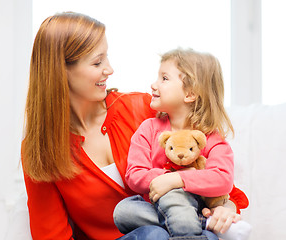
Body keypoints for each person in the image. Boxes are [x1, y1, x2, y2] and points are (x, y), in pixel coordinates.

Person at [22, 12, 248, 240]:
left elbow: (213, 175)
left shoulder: (143, 109)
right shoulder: (41, 150)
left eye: (106, 57)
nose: (109, 69)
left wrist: (225, 208)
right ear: (61, 71)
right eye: (97, 62)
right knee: (152, 235)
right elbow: (51, 235)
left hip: (179, 229)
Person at [113, 48, 250, 240]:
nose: (153, 85)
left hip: (195, 207)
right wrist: (167, 177)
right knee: (124, 211)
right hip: (156, 208)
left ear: (190, 94)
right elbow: (134, 175)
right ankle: (201, 226)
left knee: (204, 233)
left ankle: (189, 226)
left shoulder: (211, 138)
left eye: (164, 78)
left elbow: (223, 179)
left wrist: (177, 180)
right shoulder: (148, 129)